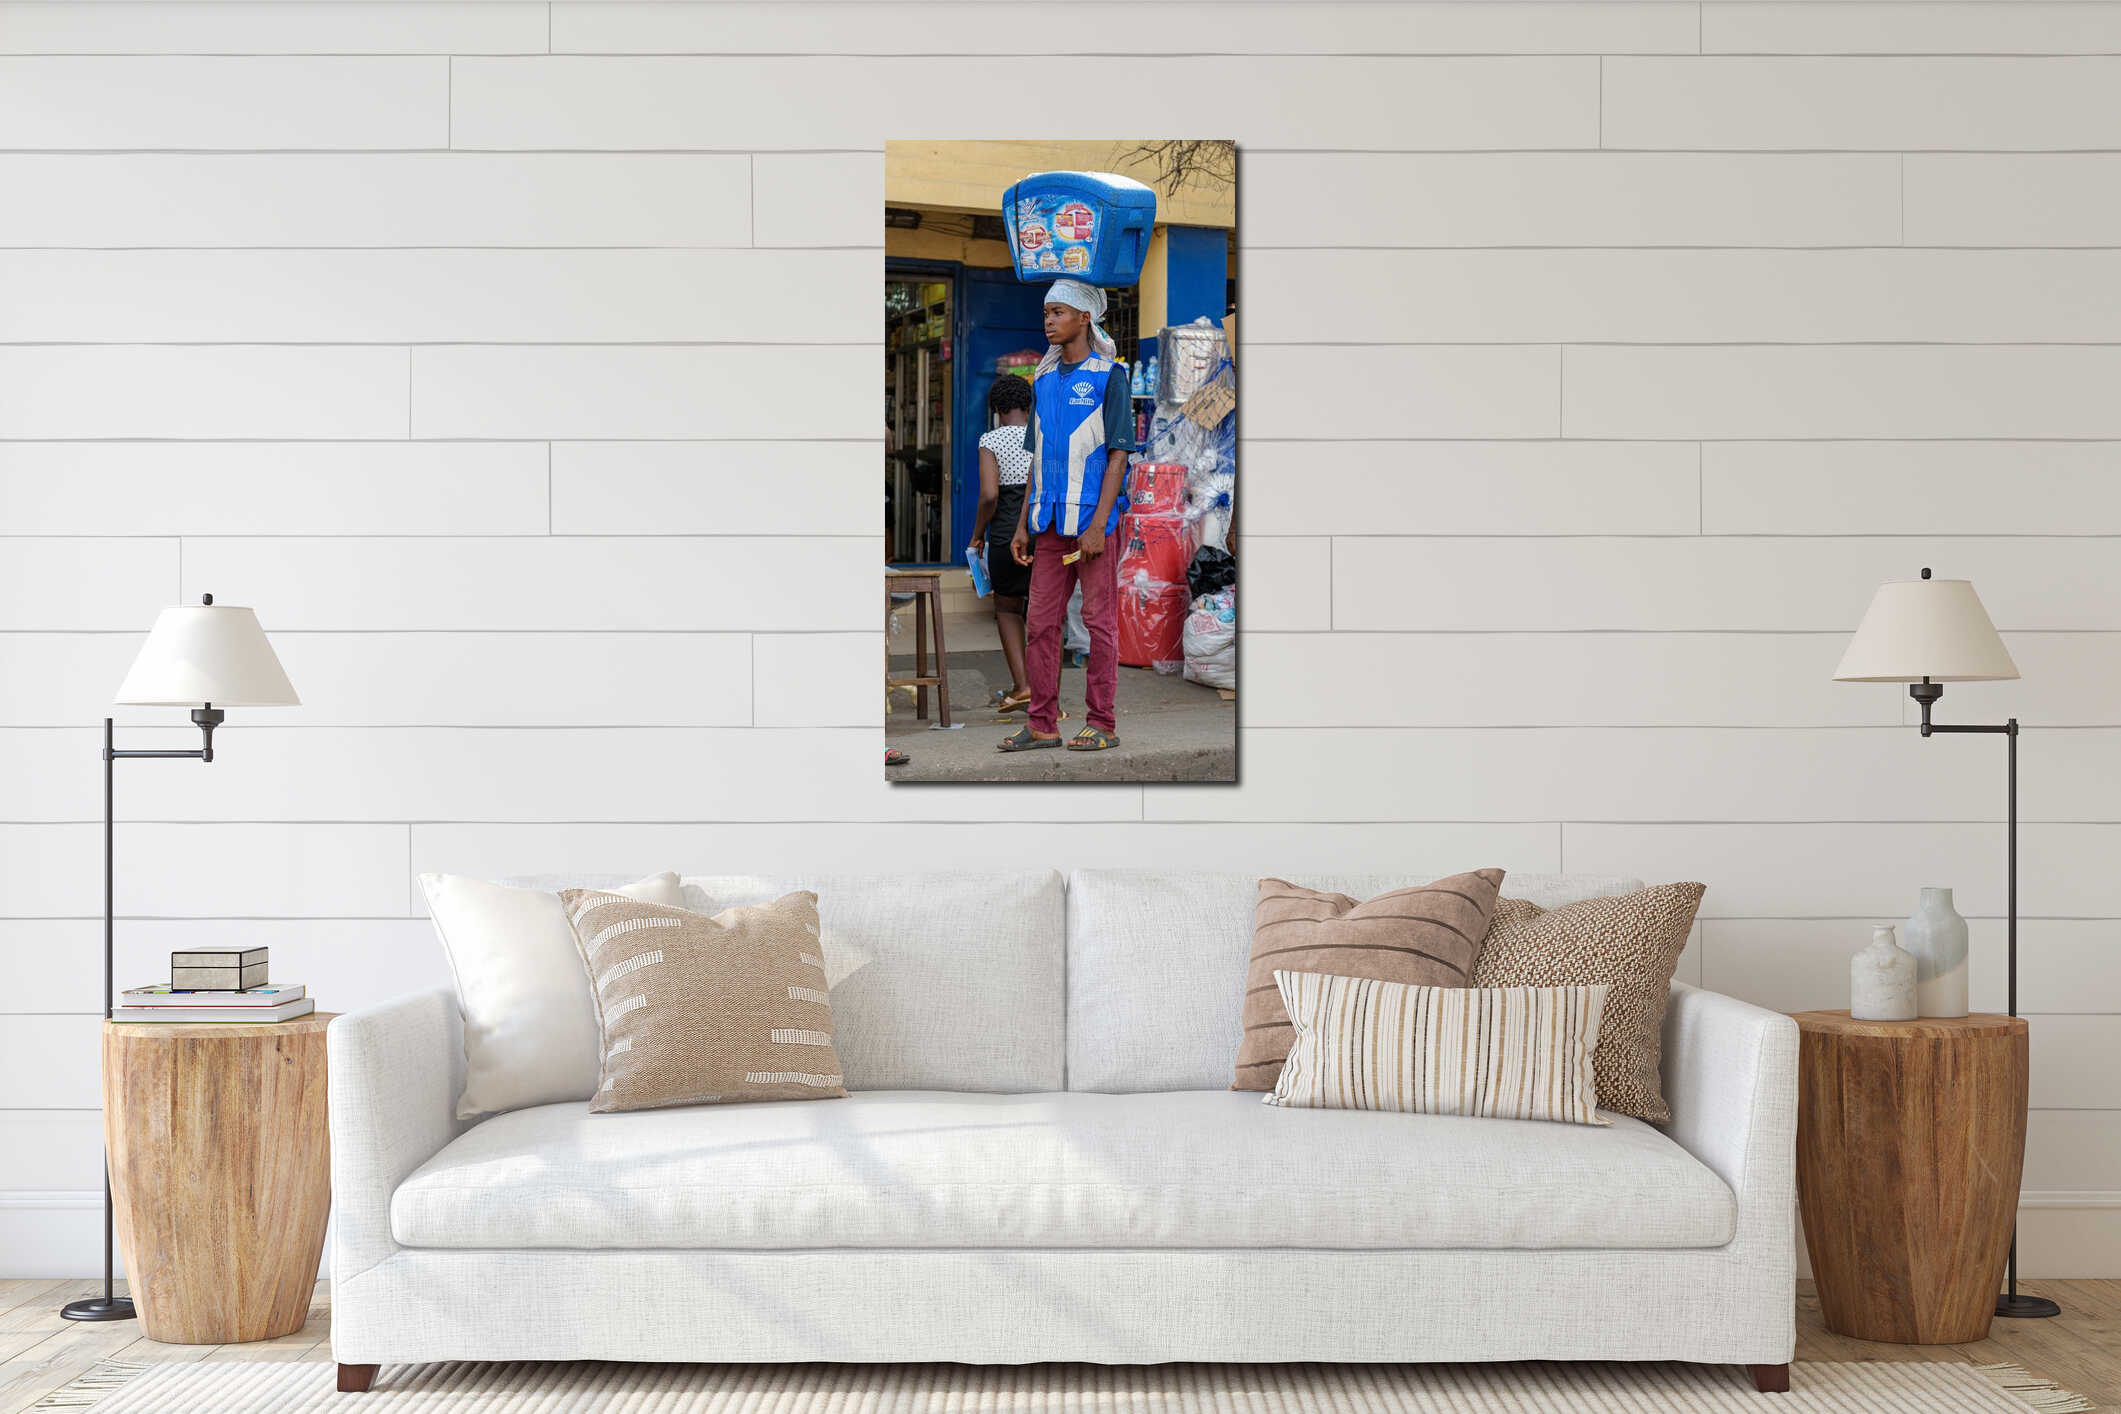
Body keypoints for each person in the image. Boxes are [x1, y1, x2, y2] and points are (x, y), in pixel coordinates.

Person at [997, 279, 1134, 754]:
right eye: (1046, 314)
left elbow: (1118, 456)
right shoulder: (1044, 380)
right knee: (1040, 624)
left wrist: (1099, 524)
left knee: (1098, 624)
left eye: (1058, 313)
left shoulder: (1109, 375)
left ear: (1084, 318)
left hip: (1094, 527)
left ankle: (1103, 721)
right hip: (1048, 524)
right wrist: (1021, 525)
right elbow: (1035, 459)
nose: (1049, 321)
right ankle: (1042, 724)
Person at [969, 375, 1035, 713]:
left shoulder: (990, 440)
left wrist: (978, 533)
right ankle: (1046, 700)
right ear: (1028, 406)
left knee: (1008, 610)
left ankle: (1023, 686)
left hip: (1005, 535)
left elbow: (990, 496)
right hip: (1042, 530)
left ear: (997, 409)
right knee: (1043, 615)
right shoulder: (1043, 436)